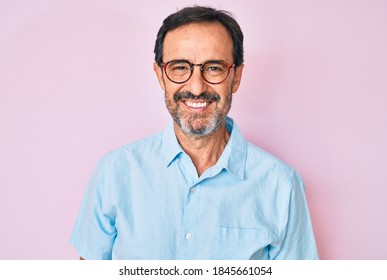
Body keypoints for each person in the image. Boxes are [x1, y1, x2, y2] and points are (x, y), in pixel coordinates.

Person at [70, 5, 318, 260]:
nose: (197, 87)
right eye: (179, 67)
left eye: (213, 68)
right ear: (160, 75)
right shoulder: (114, 171)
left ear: (236, 76)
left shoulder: (281, 185)